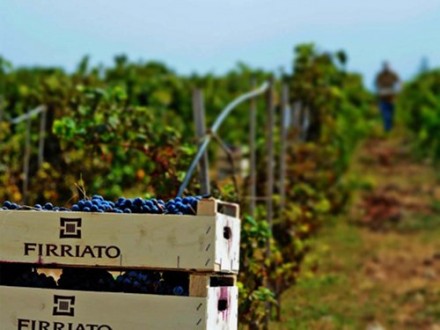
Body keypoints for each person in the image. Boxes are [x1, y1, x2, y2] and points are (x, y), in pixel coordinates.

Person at [375, 62, 400, 132]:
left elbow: (399, 82)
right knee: (385, 114)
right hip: (383, 97)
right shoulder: (380, 75)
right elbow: (377, 84)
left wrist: (398, 91)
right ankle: (387, 128)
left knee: (391, 113)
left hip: (391, 96)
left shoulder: (392, 74)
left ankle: (389, 128)